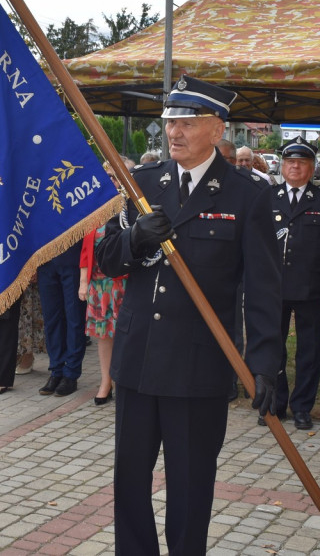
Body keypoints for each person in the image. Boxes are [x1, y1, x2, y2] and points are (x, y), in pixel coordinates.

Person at [97, 75, 280, 555]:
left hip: (198, 365)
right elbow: (108, 258)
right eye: (169, 122)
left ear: (217, 130)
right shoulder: (145, 183)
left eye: (186, 122)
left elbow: (262, 288)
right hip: (138, 360)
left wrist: (264, 363)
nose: (173, 132)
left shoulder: (246, 194)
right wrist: (136, 239)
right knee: (129, 482)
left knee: (191, 486)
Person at [268, 136, 320, 430]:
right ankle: (275, 404)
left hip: (312, 287)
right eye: (290, 161)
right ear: (283, 167)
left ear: (312, 168)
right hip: (274, 287)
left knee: (308, 351)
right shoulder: (268, 198)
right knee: (274, 348)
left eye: (301, 162)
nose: (295, 166)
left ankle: (302, 407)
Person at [78, 163, 126, 405]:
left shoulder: (132, 208)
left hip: (124, 284)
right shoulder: (94, 208)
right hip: (99, 285)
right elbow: (86, 249)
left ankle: (125, 382)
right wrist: (83, 282)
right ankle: (106, 381)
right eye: (108, 176)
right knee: (104, 336)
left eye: (117, 177)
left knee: (126, 335)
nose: (113, 181)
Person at [37, 241, 86, 397]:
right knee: (51, 319)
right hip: (45, 257)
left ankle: (71, 373)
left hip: (72, 253)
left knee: (74, 318)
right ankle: (56, 369)